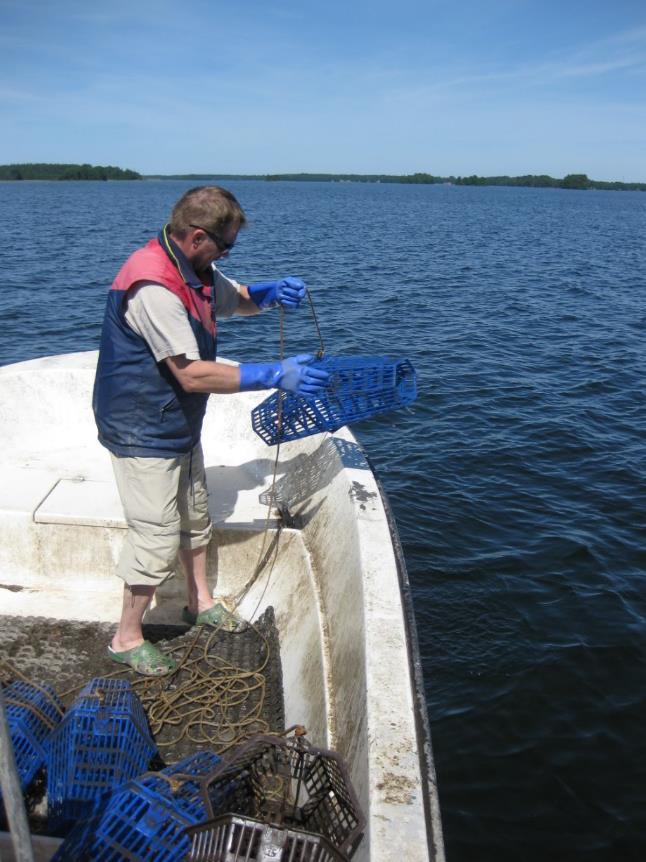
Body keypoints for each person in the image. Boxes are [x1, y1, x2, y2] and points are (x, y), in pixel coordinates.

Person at [92, 185, 329, 676]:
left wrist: (267, 293)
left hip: (176, 422)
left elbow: (234, 300)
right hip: (142, 429)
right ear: (198, 237)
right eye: (226, 247)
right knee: (155, 537)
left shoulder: (193, 269)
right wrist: (273, 374)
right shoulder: (153, 286)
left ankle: (199, 603)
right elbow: (191, 373)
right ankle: (126, 636)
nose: (227, 255)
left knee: (196, 515)